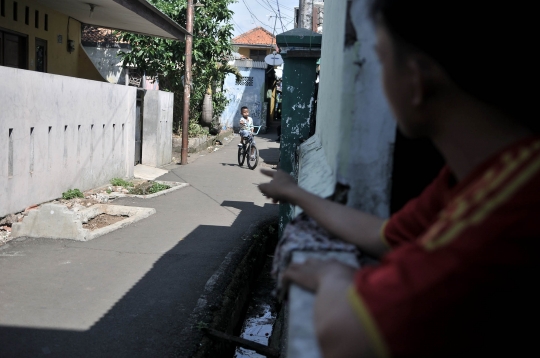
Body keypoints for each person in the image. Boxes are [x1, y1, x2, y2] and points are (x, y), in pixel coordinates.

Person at [258, 1, 539, 356]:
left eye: (381, 58)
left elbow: (346, 334)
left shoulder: (507, 209)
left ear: (417, 81)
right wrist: (296, 194)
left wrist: (333, 276)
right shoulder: (473, 177)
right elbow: (384, 234)